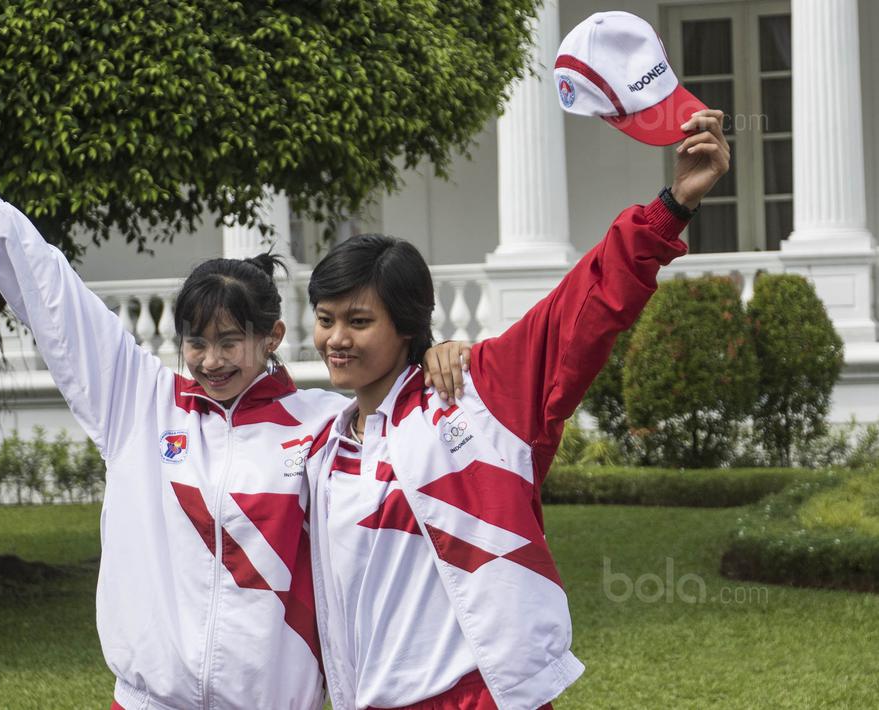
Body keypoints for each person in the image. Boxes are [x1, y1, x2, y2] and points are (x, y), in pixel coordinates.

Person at [0, 93, 470, 710]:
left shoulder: (326, 428)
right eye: (196, 343)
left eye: (230, 341)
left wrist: (435, 359)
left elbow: (410, 460)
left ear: (272, 337)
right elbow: (52, 295)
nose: (211, 360)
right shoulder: (139, 403)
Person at [302, 111, 731, 710]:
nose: (336, 340)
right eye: (325, 320)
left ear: (405, 326)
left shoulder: (476, 398)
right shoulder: (318, 442)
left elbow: (584, 308)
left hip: (478, 698)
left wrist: (673, 204)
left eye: (359, 321)